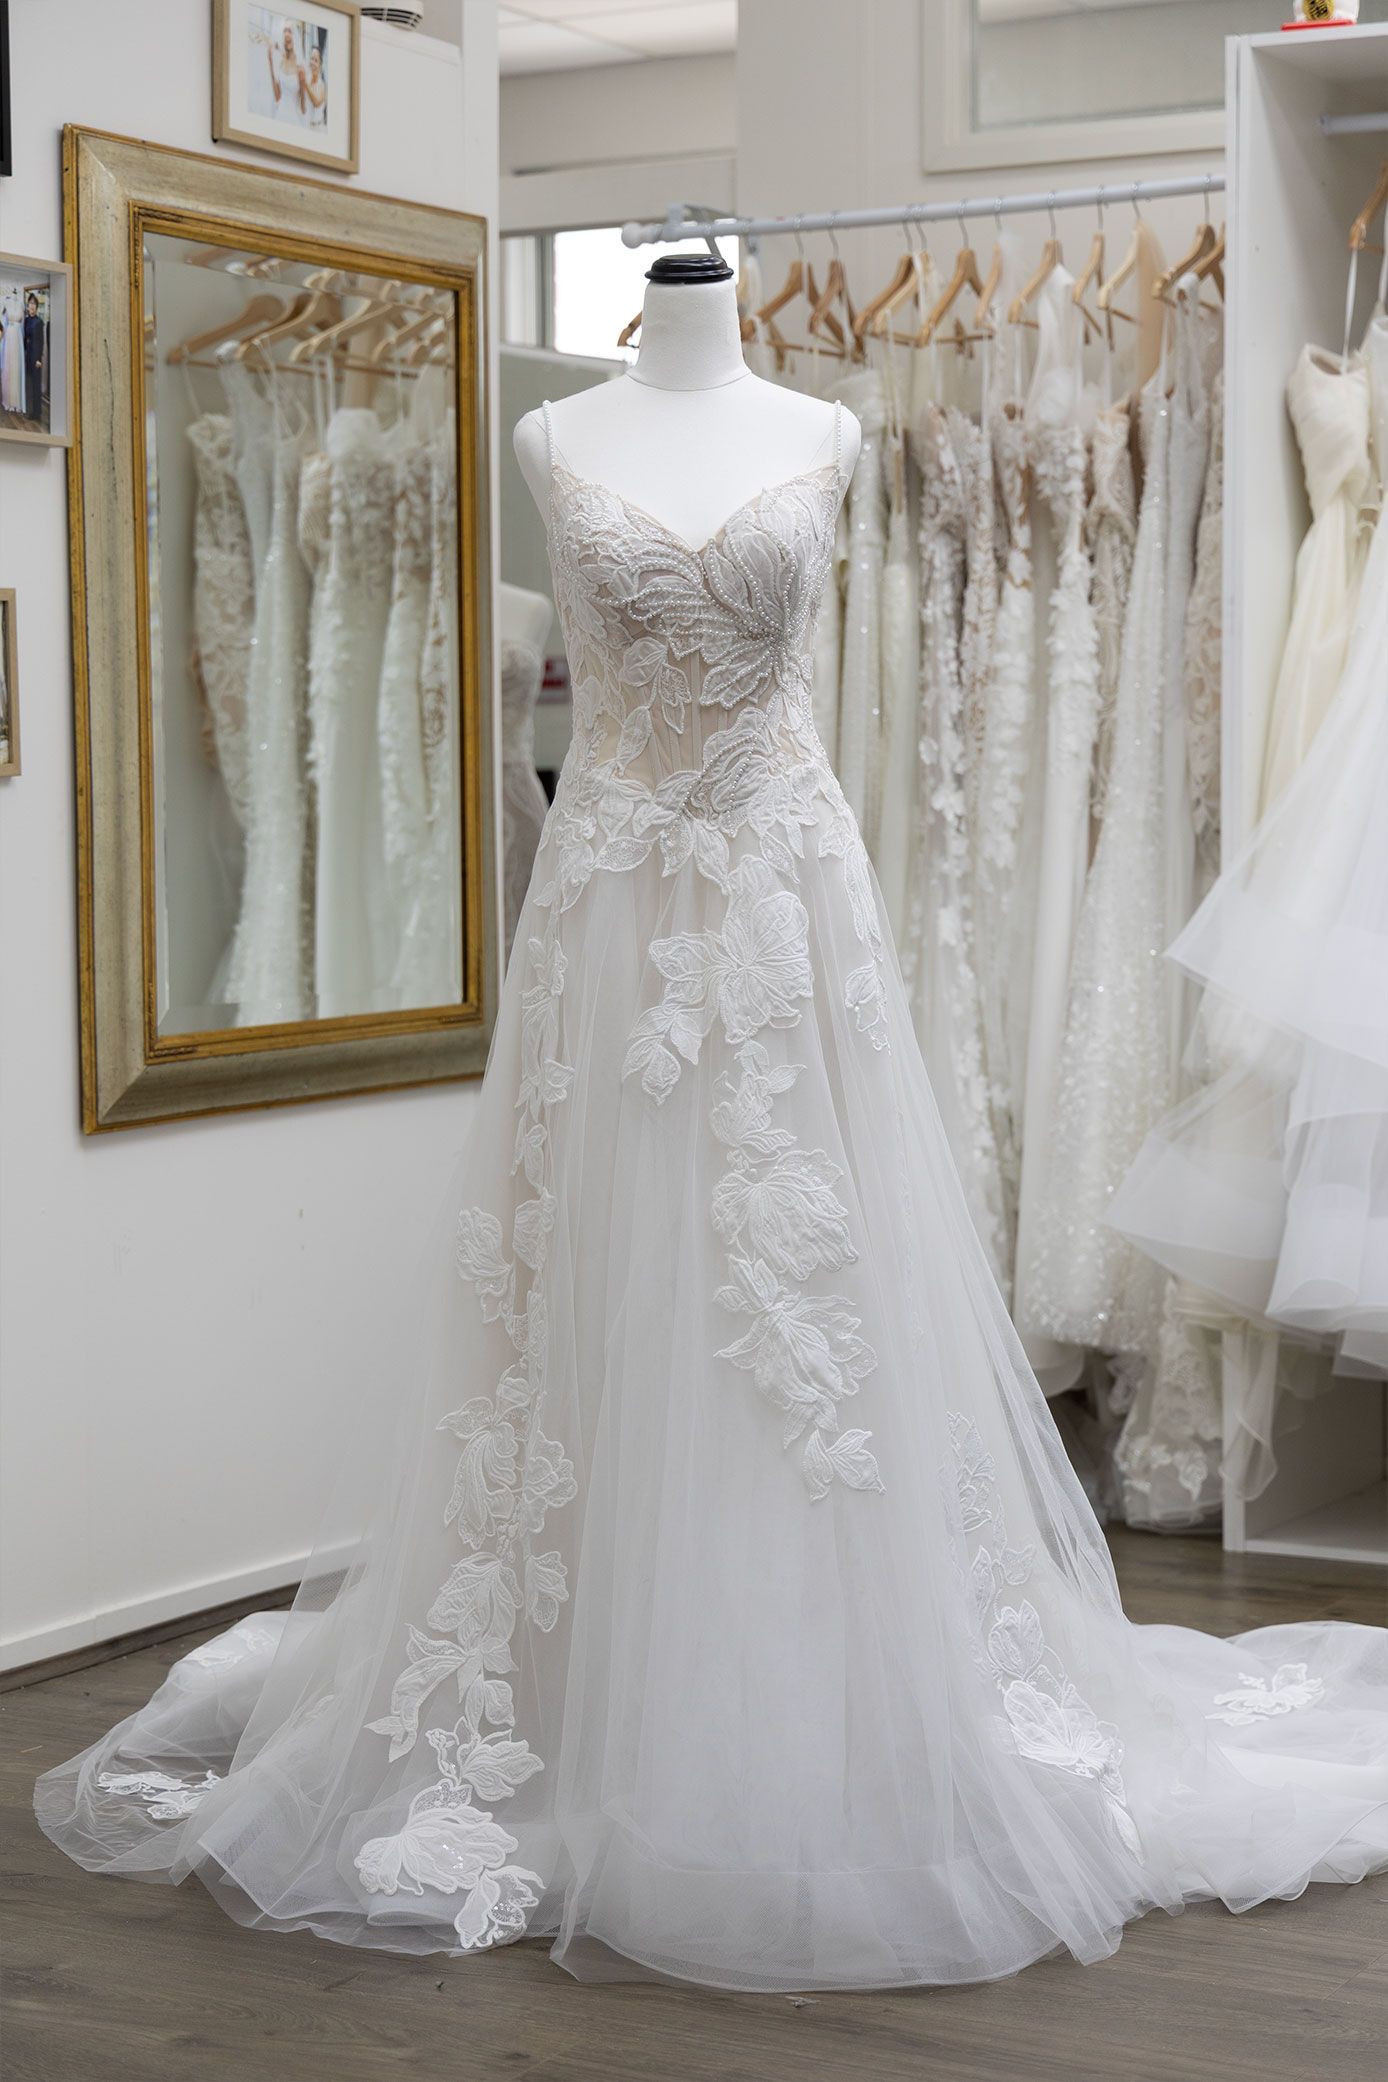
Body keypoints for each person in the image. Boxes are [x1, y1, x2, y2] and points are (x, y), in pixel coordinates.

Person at [22, 294, 46, 430]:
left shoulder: (39, 321)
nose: (31, 306)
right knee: (29, 384)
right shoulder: (26, 320)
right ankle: (31, 409)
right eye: (30, 303)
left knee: (36, 386)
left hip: (35, 357)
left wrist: (38, 359)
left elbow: (41, 342)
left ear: (37, 307)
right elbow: (25, 339)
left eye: (34, 304)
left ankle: (37, 412)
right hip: (27, 355)